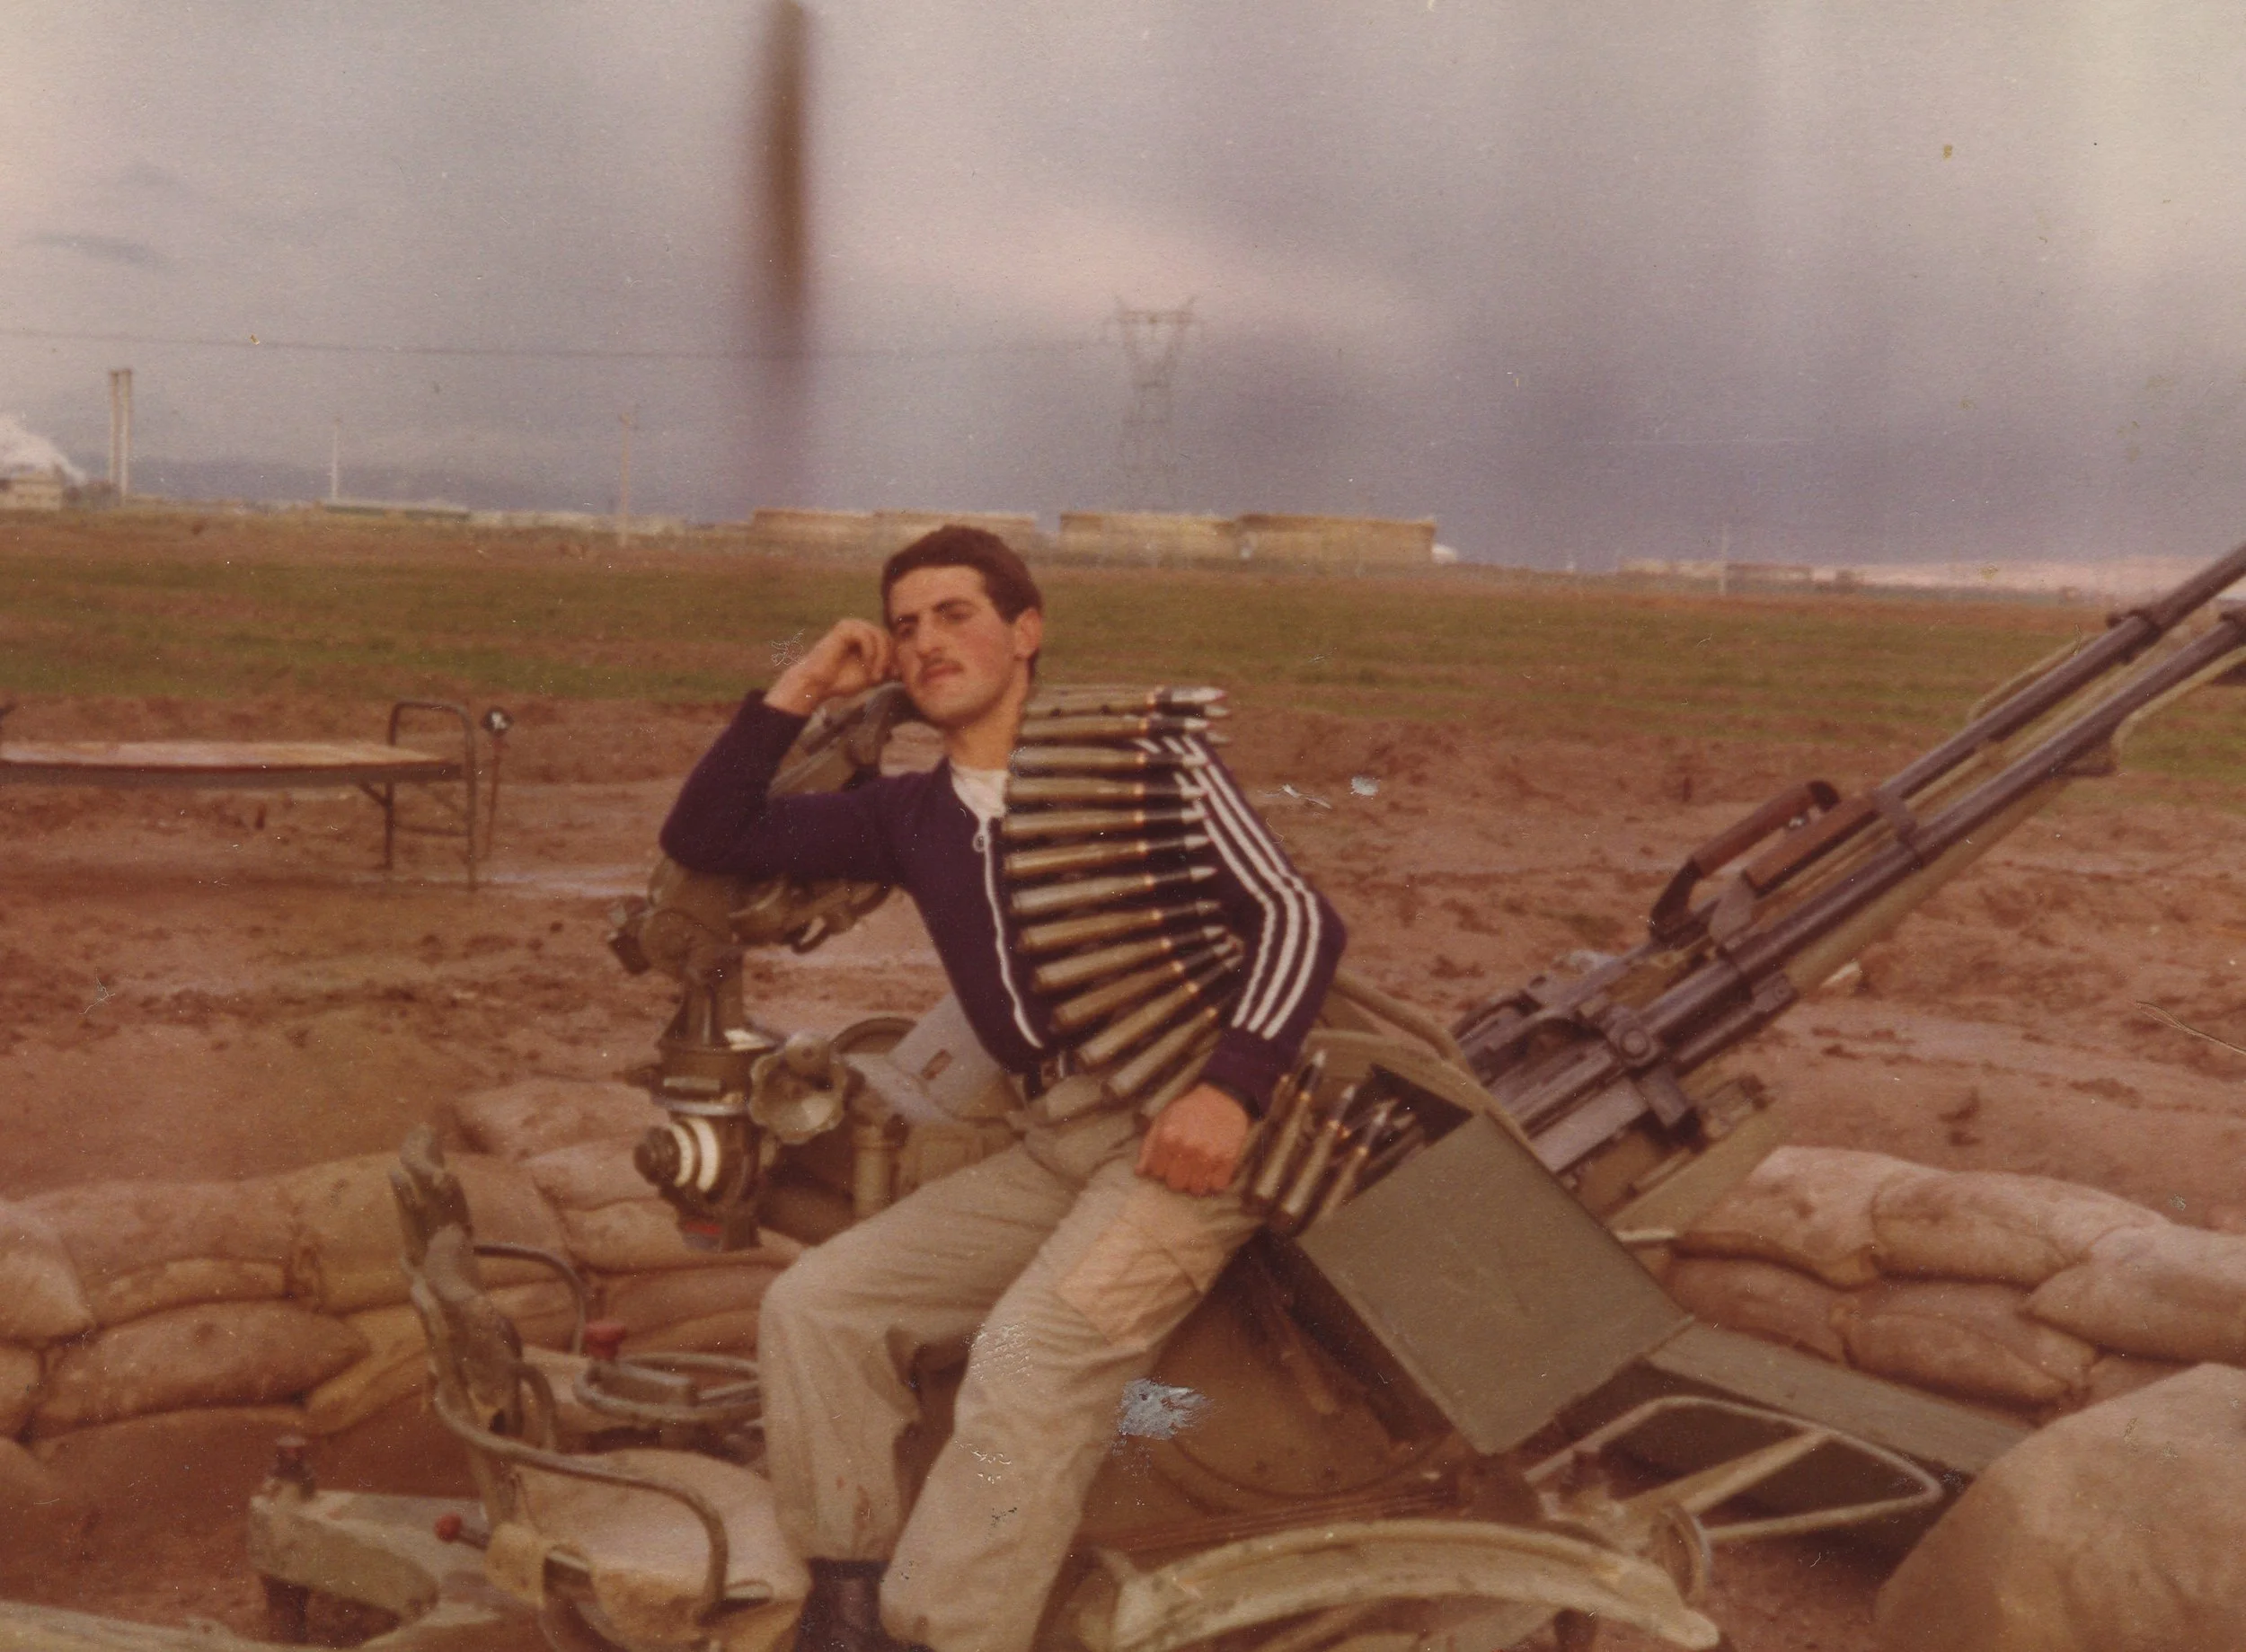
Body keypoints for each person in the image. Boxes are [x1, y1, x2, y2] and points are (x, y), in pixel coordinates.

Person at [659, 525, 1346, 1652]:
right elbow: (709, 830)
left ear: (1025, 633)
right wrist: (804, 684)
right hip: (1055, 1136)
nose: (928, 642)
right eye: (906, 626)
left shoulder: (1142, 763)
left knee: (1027, 1365)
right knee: (817, 1305)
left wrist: (1229, 1091)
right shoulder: (908, 816)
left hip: (1186, 1138)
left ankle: (947, 1635)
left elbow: (1296, 916)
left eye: (956, 615)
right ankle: (845, 1602)